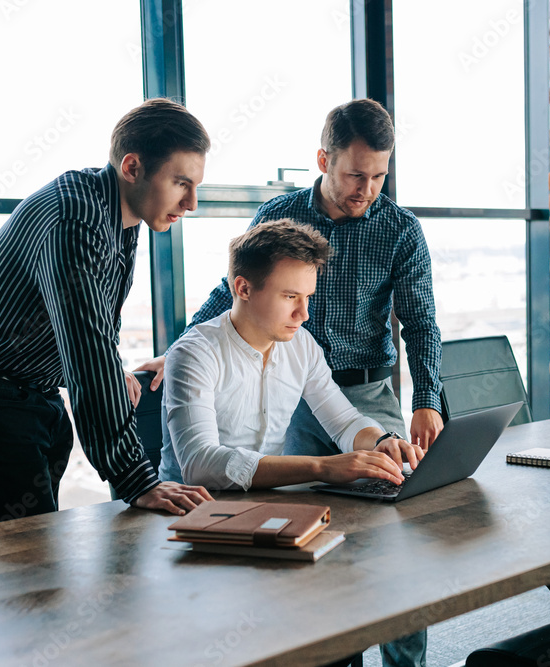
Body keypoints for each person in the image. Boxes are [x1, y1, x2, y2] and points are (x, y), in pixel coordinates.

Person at [147, 98, 441, 667]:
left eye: (379, 176)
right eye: (356, 174)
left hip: (358, 386)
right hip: (288, 400)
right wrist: (182, 347)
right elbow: (233, 288)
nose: (367, 188)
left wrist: (418, 406)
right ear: (323, 160)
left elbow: (420, 322)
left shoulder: (398, 231)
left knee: (394, 543)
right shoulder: (281, 219)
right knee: (318, 543)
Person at [0, 98, 213, 528]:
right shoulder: (76, 217)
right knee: (26, 562)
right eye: (180, 183)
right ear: (132, 167)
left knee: (34, 556)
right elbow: (87, 352)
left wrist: (114, 369)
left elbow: (93, 318)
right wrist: (138, 480)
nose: (191, 203)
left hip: (33, 395)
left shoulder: (120, 213)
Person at [159, 219, 425, 491]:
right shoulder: (194, 354)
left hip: (265, 505)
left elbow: (344, 422)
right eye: (289, 297)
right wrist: (321, 467)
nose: (304, 314)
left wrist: (381, 441)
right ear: (244, 289)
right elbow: (199, 464)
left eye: (307, 296)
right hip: (188, 510)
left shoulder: (302, 345)